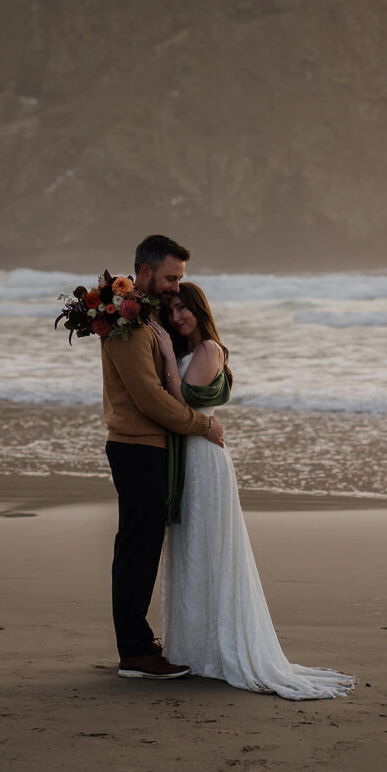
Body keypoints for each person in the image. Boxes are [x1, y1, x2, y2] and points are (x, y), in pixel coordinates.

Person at [149, 282, 356, 700]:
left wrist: (169, 355)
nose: (177, 317)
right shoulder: (186, 346)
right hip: (185, 458)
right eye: (171, 311)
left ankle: (220, 652)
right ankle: (194, 649)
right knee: (190, 551)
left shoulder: (209, 349)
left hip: (204, 460)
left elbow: (184, 399)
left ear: (199, 310)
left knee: (211, 550)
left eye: (183, 309)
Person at [101, 235, 225, 680]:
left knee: (140, 547)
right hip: (137, 446)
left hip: (147, 446)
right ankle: (135, 651)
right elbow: (150, 398)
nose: (176, 287)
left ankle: (136, 644)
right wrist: (201, 424)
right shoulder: (125, 321)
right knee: (138, 549)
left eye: (181, 280)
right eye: (171, 277)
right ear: (146, 271)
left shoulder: (147, 318)